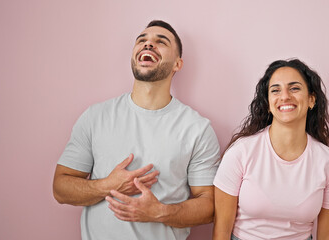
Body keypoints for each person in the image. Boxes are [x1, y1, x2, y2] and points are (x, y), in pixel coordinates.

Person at [53, 20, 220, 240]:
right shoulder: (96, 116)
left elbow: (209, 205)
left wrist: (159, 212)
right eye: (142, 40)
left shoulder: (197, 129)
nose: (148, 44)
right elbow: (60, 188)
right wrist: (108, 185)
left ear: (177, 64)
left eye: (160, 42)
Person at [213, 59, 329, 240]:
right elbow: (221, 232)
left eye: (294, 88)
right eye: (275, 90)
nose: (285, 97)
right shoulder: (241, 152)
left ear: (311, 99)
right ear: (268, 103)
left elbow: (328, 236)